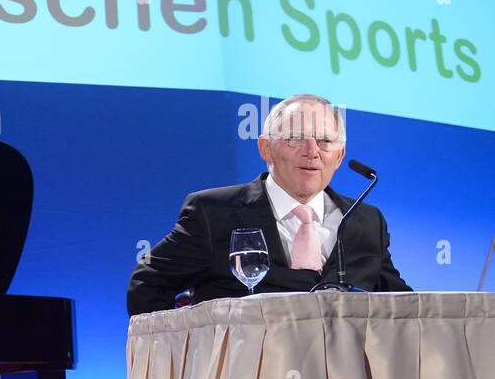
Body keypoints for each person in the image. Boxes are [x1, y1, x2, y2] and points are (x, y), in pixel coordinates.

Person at [127, 94, 410, 316]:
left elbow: (403, 307)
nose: (312, 152)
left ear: (339, 156)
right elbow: (147, 287)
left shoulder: (365, 220)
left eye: (325, 141)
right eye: (296, 138)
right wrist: (190, 356)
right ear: (265, 148)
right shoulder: (214, 213)